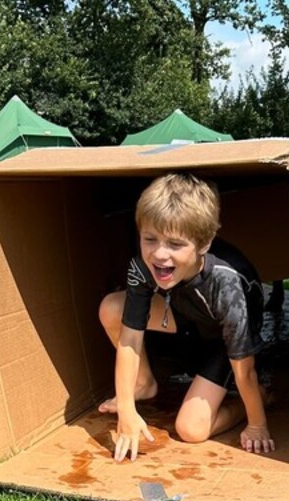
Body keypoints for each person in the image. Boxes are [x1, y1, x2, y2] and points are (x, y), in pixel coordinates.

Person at [98, 172, 274, 462]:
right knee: (112, 308)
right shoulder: (141, 266)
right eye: (150, 239)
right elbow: (130, 338)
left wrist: (257, 424)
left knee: (191, 429)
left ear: (204, 244)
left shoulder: (226, 285)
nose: (159, 254)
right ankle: (144, 384)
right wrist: (127, 410)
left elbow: (245, 369)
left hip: (224, 339)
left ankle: (259, 399)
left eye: (175, 244)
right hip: (187, 317)